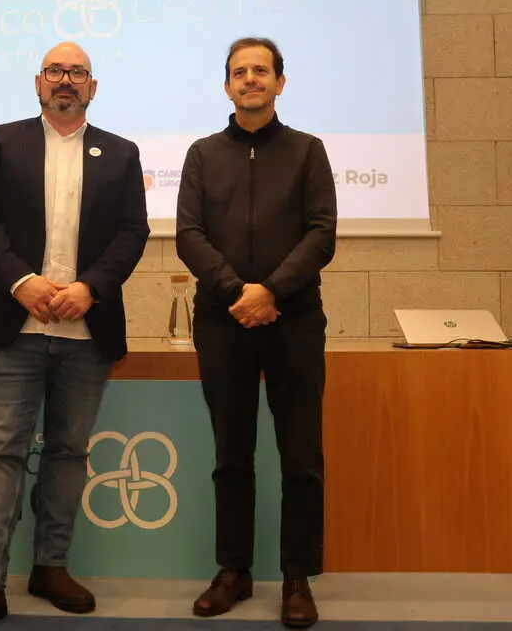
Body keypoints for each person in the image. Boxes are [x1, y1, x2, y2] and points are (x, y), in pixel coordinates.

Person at [0, 42, 149, 631]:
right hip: (12, 326)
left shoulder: (122, 152)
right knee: (0, 452)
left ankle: (50, 567)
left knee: (67, 453)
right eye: (56, 71)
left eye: (77, 72)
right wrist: (21, 281)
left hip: (87, 329)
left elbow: (133, 231)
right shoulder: (2, 141)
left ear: (93, 87)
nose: (66, 80)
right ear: (38, 82)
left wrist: (91, 288)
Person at [176, 37, 336, 629]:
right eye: (240, 72)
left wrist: (270, 291)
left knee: (301, 457)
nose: (251, 80)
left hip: (294, 322)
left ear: (280, 83)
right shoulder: (201, 154)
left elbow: (322, 234)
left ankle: (297, 577)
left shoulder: (307, 151)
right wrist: (236, 293)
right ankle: (233, 572)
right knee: (231, 456)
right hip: (223, 322)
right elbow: (189, 234)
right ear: (227, 85)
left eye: (261, 71)